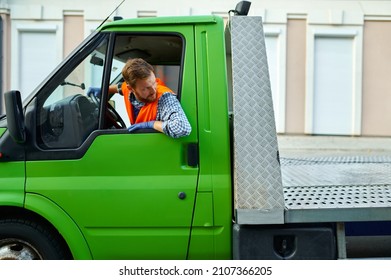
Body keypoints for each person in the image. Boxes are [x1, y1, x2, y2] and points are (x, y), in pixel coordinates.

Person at [90, 58, 191, 139]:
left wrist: (151, 124)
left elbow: (183, 128)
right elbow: (120, 87)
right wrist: (103, 90)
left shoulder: (164, 98)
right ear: (132, 89)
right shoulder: (128, 89)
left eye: (154, 83)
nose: (153, 91)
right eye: (146, 88)